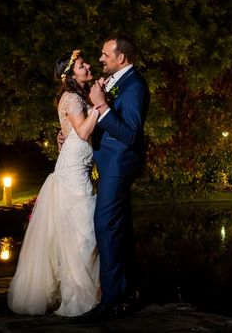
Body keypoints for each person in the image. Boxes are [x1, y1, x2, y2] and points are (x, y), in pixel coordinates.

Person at [7, 50, 102, 316]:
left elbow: (72, 132)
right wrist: (99, 105)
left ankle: (87, 293)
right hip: (73, 173)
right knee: (83, 235)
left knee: (82, 235)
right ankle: (81, 298)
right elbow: (83, 133)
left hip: (77, 169)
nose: (88, 66)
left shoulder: (76, 97)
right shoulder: (71, 97)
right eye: (82, 65)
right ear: (70, 74)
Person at [78, 35, 149, 320]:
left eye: (105, 54)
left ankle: (111, 301)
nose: (100, 58)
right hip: (108, 162)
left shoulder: (135, 86)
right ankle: (127, 291)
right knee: (119, 228)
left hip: (119, 164)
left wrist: (102, 105)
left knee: (105, 225)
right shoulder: (114, 82)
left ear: (121, 57)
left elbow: (130, 134)